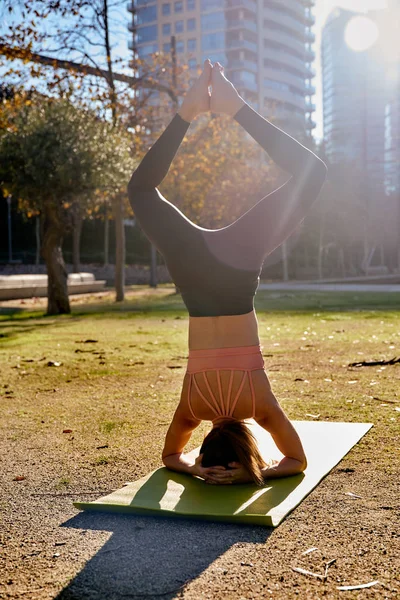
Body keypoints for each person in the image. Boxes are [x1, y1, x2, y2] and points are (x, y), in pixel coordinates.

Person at [128, 59, 327, 486]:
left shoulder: (260, 406)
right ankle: (191, 110)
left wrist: (252, 474)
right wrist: (194, 468)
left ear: (250, 444)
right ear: (207, 442)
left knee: (313, 174)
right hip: (195, 272)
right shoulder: (192, 409)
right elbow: (169, 456)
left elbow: (294, 461)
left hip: (237, 267)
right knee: (140, 191)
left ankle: (233, 107)